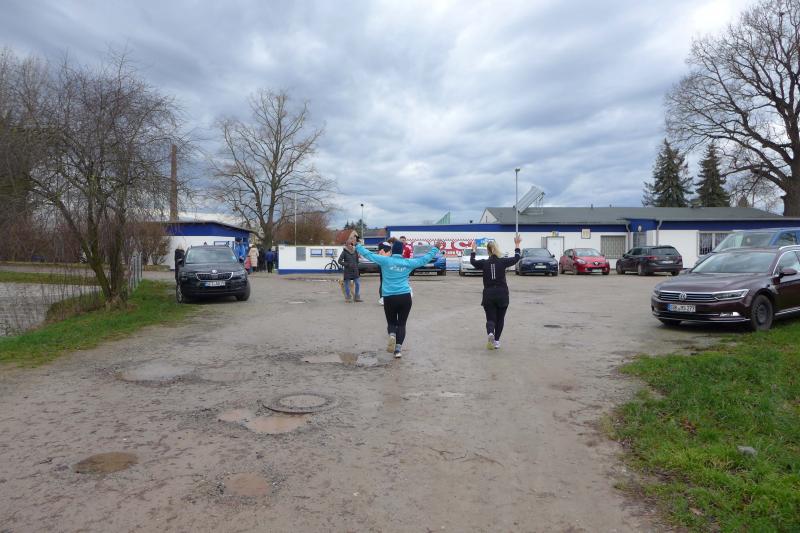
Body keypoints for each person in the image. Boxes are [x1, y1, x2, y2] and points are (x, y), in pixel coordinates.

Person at [356, 233, 445, 358]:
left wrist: (357, 246)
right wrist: (435, 248)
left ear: (392, 251)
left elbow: (369, 255)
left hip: (389, 297)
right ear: (402, 251)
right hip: (405, 297)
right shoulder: (408, 262)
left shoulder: (385, 260)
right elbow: (425, 259)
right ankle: (398, 350)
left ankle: (392, 334)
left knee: (391, 322)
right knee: (402, 324)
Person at [470, 235, 522, 350]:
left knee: (490, 319)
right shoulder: (503, 262)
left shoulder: (484, 263)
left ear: (488, 251)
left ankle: (490, 333)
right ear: (497, 249)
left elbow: (472, 261)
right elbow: (516, 258)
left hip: (488, 294)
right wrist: (517, 244)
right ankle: (497, 341)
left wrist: (473, 250)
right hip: (502, 294)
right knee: (500, 319)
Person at [338, 236, 362, 302]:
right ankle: (348, 298)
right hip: (347, 271)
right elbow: (339, 261)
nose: (350, 245)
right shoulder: (344, 252)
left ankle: (356, 297)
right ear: (346, 245)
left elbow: (357, 260)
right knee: (347, 285)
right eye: (349, 244)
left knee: (357, 283)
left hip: (355, 270)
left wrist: (356, 265)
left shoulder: (355, 251)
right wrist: (347, 264)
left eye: (351, 244)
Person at [376, 241, 392, 305]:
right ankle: (382, 298)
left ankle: (384, 298)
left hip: (382, 265)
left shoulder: (381, 250)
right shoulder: (384, 250)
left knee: (383, 282)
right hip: (383, 265)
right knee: (383, 282)